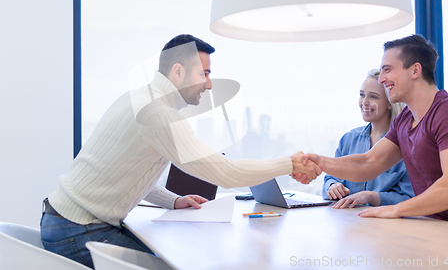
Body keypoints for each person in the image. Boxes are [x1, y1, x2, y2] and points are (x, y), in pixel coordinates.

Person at [40, 34, 321, 268]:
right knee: (173, 262)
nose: (209, 84)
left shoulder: (136, 98)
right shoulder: (159, 116)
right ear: (178, 72)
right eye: (204, 74)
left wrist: (173, 201)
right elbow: (227, 174)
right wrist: (290, 164)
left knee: (165, 256)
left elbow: (125, 171)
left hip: (64, 220)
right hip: (78, 230)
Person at [298, 34, 448, 231]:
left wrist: (396, 209)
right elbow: (368, 162)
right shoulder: (404, 120)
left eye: (387, 70)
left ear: (415, 70)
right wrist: (318, 162)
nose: (382, 78)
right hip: (441, 233)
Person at [323, 69, 414, 209]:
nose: (364, 102)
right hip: (348, 220)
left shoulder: (405, 145)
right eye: (362, 95)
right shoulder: (348, 139)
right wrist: (332, 186)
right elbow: (330, 177)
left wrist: (371, 197)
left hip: (386, 224)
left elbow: (410, 197)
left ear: (390, 102)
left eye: (373, 97)